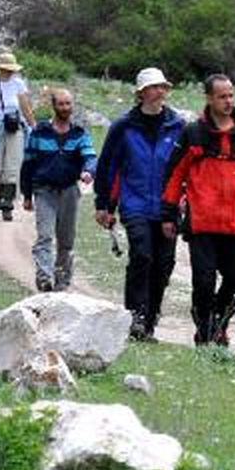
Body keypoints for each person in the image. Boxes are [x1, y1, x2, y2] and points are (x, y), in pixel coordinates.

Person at [161, 74, 235, 346]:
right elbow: (174, 174)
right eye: (222, 96)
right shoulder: (193, 133)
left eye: (231, 95)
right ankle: (206, 330)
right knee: (203, 283)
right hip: (202, 224)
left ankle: (217, 321)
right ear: (209, 98)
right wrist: (169, 213)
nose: (229, 101)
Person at [94, 68, 185, 341]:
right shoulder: (123, 126)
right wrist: (104, 205)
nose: (160, 92)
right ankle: (135, 317)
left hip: (167, 208)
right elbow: (108, 166)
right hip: (134, 204)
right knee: (142, 255)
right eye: (155, 87)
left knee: (164, 264)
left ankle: (151, 319)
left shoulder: (177, 125)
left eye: (163, 87)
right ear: (142, 93)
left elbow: (184, 168)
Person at [20, 89, 97, 292]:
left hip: (69, 190)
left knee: (66, 239)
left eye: (68, 104)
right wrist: (26, 195)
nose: (65, 108)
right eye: (61, 104)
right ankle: (44, 277)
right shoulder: (39, 132)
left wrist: (88, 171)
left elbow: (90, 156)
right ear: (53, 106)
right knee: (44, 235)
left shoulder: (79, 133)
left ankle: (62, 280)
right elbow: (28, 164)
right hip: (43, 190)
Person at [0, 51, 36, 222]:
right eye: (6, 69)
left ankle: (7, 204)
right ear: (0, 68)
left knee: (12, 168)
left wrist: (34, 127)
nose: (9, 72)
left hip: (14, 127)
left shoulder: (18, 84)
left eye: (12, 69)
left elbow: (26, 108)